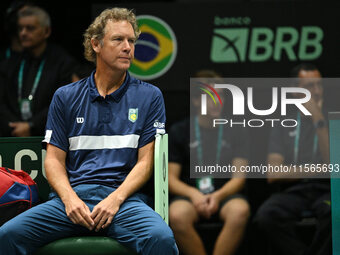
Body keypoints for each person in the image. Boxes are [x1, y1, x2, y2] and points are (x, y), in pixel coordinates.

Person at [0, 7, 178, 255]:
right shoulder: (65, 96)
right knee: (6, 236)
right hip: (71, 200)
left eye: (131, 41)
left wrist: (115, 200)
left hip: (125, 201)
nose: (128, 47)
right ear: (96, 44)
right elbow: (53, 160)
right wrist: (70, 200)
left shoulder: (150, 96)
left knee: (161, 239)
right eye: (118, 39)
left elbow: (146, 162)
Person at [168, 70, 250, 255]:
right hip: (190, 195)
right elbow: (171, 180)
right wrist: (194, 195)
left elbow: (239, 178)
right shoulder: (180, 131)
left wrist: (218, 196)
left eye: (220, 95)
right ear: (196, 101)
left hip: (225, 194)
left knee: (240, 211)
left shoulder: (237, 130)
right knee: (176, 215)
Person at [253, 63, 331, 255]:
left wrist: (318, 119)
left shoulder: (332, 119)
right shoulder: (283, 123)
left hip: (326, 190)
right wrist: (315, 169)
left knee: (335, 213)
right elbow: (273, 174)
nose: (317, 92)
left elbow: (332, 165)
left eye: (319, 86)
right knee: (265, 217)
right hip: (294, 191)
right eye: (309, 87)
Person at [0, 6, 77, 137]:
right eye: (20, 28)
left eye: (30, 28)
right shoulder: (10, 63)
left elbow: (65, 102)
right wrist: (14, 126)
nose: (23, 33)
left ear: (46, 31)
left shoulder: (62, 62)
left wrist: (32, 125)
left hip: (50, 135)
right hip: (12, 134)